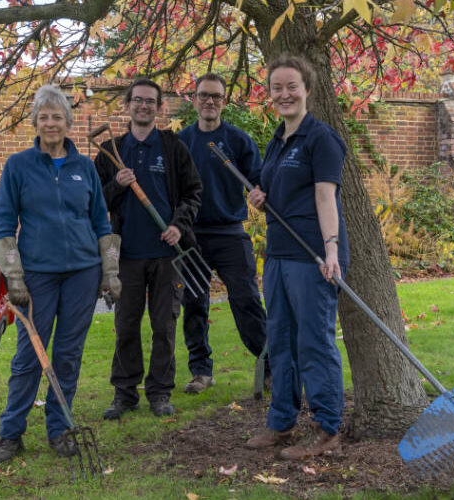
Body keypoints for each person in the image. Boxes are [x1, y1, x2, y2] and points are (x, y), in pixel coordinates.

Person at [0, 84, 119, 464]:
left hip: (82, 274)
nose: (50, 123)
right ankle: (11, 434)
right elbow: (5, 223)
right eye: (43, 116)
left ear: (68, 121)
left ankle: (60, 430)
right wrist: (15, 276)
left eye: (57, 116)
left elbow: (101, 224)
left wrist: (110, 272)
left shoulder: (85, 168)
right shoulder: (18, 166)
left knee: (68, 354)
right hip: (37, 276)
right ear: (35, 122)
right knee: (29, 355)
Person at [243, 55, 350, 460]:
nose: (284, 94)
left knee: (314, 342)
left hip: (313, 256)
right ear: (269, 94)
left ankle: (328, 430)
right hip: (278, 254)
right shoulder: (277, 140)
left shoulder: (321, 139)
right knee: (281, 340)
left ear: (307, 89)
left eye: (292, 86)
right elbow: (278, 195)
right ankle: (282, 421)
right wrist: (259, 199)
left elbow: (326, 197)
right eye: (277, 88)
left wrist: (332, 251)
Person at [94, 78, 202, 419]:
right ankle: (124, 394)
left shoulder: (173, 147)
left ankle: (159, 393)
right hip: (124, 253)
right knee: (126, 325)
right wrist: (117, 185)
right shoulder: (112, 150)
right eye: (137, 100)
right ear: (128, 105)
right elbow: (94, 203)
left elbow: (193, 193)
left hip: (166, 254)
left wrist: (178, 226)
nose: (143, 106)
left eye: (150, 101)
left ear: (160, 107)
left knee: (164, 326)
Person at [177, 73, 268, 394]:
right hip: (191, 237)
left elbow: (259, 183)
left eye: (216, 96)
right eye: (204, 95)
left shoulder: (239, 141)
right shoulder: (182, 142)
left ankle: (270, 367)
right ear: (194, 99)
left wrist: (260, 193)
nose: (209, 101)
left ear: (224, 101)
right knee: (194, 304)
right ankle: (201, 371)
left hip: (231, 233)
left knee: (246, 301)